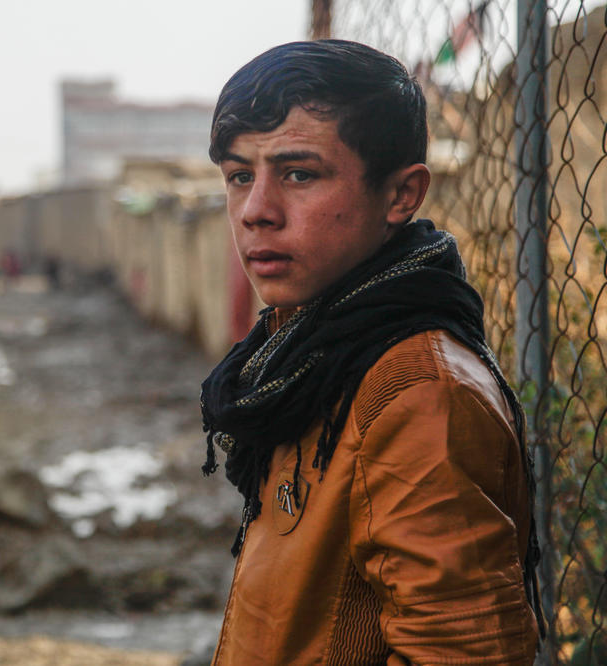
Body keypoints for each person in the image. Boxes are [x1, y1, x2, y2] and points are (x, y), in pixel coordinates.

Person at [199, 40, 542, 664]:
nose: (256, 212)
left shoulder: (417, 395)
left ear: (401, 196)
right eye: (240, 176)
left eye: (300, 173)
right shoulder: (308, 356)